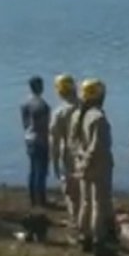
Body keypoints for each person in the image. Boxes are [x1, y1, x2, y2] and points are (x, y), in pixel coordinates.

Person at [70, 79, 115, 256]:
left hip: (82, 163)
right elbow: (98, 147)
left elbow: (73, 143)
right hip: (98, 165)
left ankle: (84, 237)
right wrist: (88, 162)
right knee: (99, 204)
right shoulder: (98, 118)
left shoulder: (77, 114)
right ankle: (99, 242)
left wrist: (80, 163)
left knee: (86, 202)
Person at [49, 74, 80, 225]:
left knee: (71, 194)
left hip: (69, 157)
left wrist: (54, 163)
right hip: (86, 156)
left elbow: (54, 142)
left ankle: (76, 223)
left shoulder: (59, 113)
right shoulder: (87, 107)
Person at [20, 76, 51, 208]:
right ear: (39, 87)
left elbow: (25, 123)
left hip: (29, 137)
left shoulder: (25, 103)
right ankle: (41, 199)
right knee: (41, 171)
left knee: (33, 170)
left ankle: (33, 198)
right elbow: (44, 125)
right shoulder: (42, 105)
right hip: (40, 139)